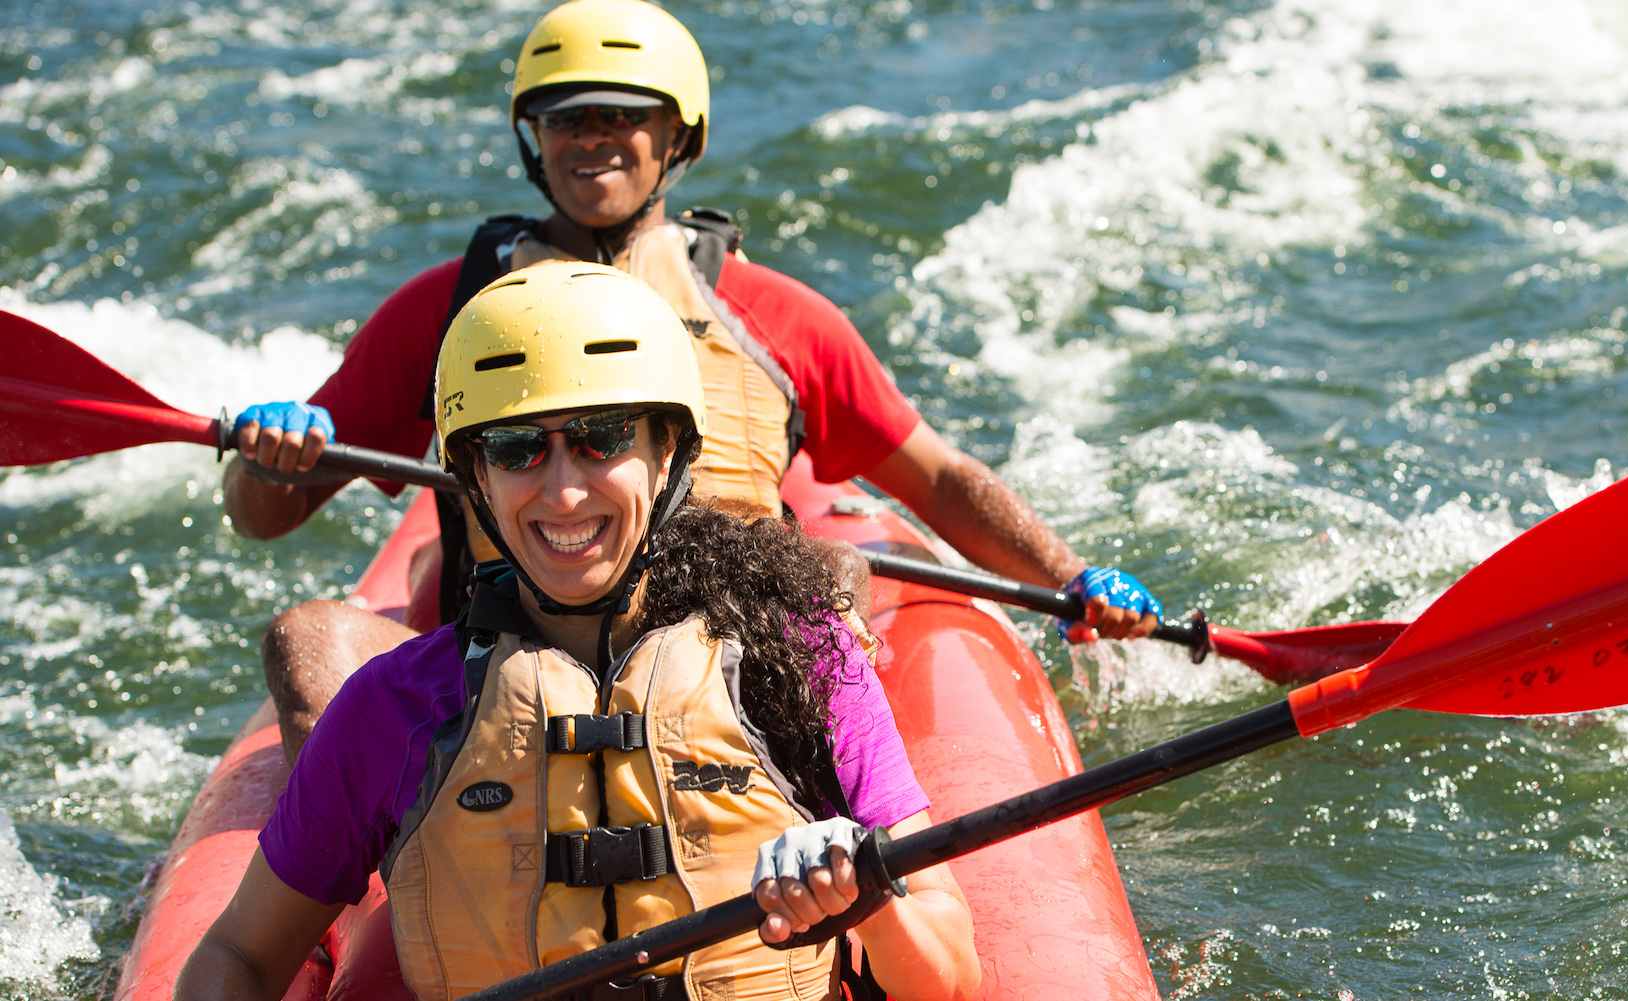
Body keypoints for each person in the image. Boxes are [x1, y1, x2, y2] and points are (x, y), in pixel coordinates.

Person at [225, 0, 1162, 764]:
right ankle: (384, 910)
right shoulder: (449, 310)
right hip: (496, 656)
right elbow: (262, 515)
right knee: (307, 637)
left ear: (681, 137)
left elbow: (935, 475)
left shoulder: (778, 317)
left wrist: (1073, 576)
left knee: (834, 571)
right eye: (566, 117)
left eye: (624, 115)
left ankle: (825, 830)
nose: (594, 139)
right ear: (532, 139)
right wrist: (272, 458)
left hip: (718, 653)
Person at [177, 264, 980, 1001]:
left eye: (603, 438)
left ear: (668, 452)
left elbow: (950, 979)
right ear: (475, 480)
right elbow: (237, 957)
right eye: (518, 448)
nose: (563, 492)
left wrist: (869, 899)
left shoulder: (796, 655)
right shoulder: (395, 707)